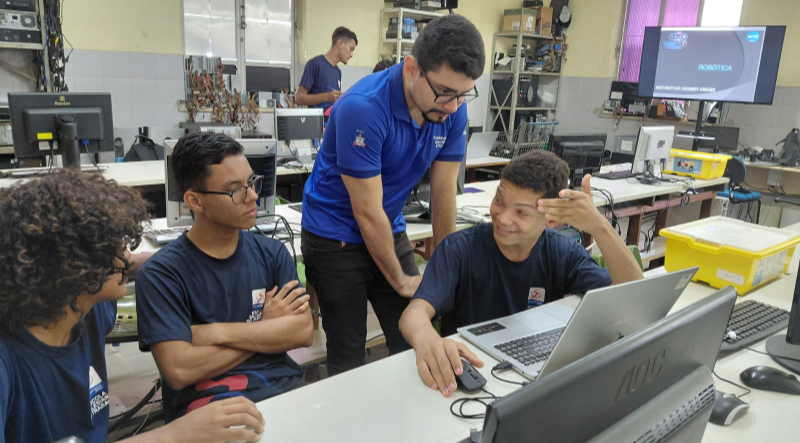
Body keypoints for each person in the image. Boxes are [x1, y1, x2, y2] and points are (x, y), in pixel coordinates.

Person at [0, 169, 267, 443]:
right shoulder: (7, 361)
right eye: (115, 248)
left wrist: (185, 254)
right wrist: (175, 434)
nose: (126, 256)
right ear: (73, 267)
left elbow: (135, 262)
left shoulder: (86, 308)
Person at [300, 14, 485, 376]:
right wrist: (400, 280)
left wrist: (444, 271)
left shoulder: (452, 109)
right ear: (412, 69)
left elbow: (444, 193)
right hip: (334, 234)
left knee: (415, 337)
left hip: (390, 223)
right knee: (349, 355)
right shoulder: (364, 108)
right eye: (445, 92)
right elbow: (366, 213)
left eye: (463, 95)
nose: (452, 106)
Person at [399, 150, 645, 397]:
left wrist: (599, 226)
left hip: (537, 378)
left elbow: (634, 300)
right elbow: (414, 314)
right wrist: (428, 340)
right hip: (476, 378)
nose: (503, 218)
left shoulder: (562, 252)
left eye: (521, 212)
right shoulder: (459, 250)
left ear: (551, 219)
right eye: (499, 201)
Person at [135, 132, 314, 421]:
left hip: (286, 393)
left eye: (252, 183)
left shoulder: (272, 253)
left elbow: (302, 332)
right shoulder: (161, 275)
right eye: (236, 190)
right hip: (208, 411)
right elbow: (180, 371)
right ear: (195, 201)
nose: (254, 195)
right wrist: (264, 327)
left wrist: (215, 333)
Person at [295, 26, 358, 113]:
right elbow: (299, 98)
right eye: (351, 49)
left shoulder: (338, 72)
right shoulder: (315, 64)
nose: (351, 55)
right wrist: (326, 97)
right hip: (316, 125)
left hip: (331, 125)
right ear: (340, 44)